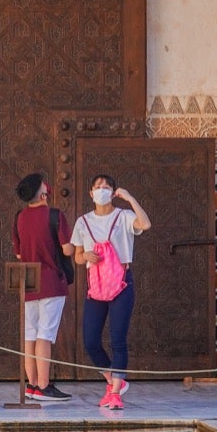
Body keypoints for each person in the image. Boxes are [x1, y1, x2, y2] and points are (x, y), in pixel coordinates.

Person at [71, 174, 151, 410]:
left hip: (121, 283)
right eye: (98, 187)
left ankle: (115, 393)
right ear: (91, 193)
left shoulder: (124, 216)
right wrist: (85, 255)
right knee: (91, 341)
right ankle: (113, 380)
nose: (102, 191)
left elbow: (145, 224)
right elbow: (76, 256)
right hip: (96, 286)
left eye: (107, 187)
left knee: (117, 339)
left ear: (114, 192)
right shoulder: (82, 222)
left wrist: (130, 199)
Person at [12, 173, 75, 401]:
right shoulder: (55, 216)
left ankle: (32, 384)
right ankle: (44, 386)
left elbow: (19, 253)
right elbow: (67, 249)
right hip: (51, 281)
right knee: (45, 336)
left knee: (29, 335)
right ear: (42, 193)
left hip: (28, 283)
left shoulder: (19, 217)